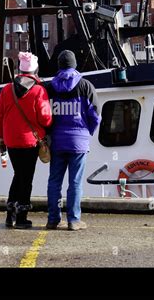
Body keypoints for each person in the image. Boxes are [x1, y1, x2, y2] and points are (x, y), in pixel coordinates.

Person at [0, 52, 52, 229]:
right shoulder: (38, 90)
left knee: (18, 175)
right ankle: (21, 218)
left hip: (11, 141)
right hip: (30, 142)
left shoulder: (7, 89)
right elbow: (45, 118)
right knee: (26, 178)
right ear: (35, 70)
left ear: (19, 69)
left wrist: (0, 137)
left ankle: (9, 214)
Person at [46, 50, 101, 231]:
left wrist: (48, 133)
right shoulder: (86, 86)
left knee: (54, 181)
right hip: (78, 142)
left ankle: (53, 219)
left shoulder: (50, 87)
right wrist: (86, 132)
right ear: (75, 64)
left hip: (56, 142)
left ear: (59, 65)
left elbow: (43, 114)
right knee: (75, 182)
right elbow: (96, 115)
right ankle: (74, 220)